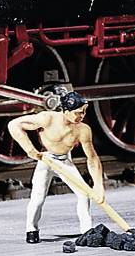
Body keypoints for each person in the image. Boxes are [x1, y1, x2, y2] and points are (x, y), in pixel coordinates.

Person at [7, 91, 105, 244]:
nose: (82, 115)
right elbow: (13, 125)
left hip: (65, 161)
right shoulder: (48, 118)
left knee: (84, 194)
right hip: (46, 160)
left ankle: (87, 231)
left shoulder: (83, 129)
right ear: (66, 111)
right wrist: (30, 150)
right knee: (38, 198)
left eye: (84, 111)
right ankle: (31, 229)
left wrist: (98, 185)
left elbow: (92, 158)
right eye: (79, 112)